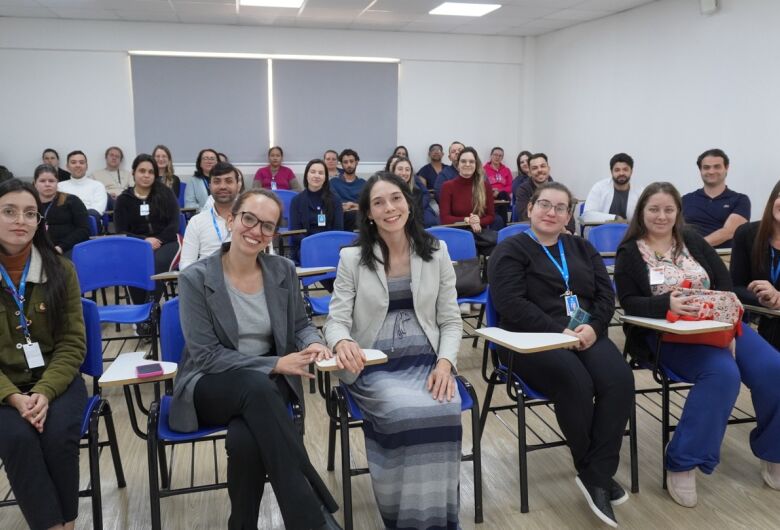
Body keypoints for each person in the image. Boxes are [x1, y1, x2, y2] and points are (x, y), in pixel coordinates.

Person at [170, 188, 340, 530]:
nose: (256, 230)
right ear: (231, 219)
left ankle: (242, 524)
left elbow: (300, 325)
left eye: (267, 225)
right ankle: (312, 517)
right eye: (249, 218)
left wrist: (315, 343)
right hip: (210, 382)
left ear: (274, 234)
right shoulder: (195, 279)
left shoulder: (282, 270)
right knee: (256, 385)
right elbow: (206, 356)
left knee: (245, 439)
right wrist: (274, 364)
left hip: (265, 386)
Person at [614, 182, 780, 507]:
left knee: (774, 368)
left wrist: (727, 328)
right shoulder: (631, 251)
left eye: (668, 209)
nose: (661, 216)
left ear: (678, 212)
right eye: (654, 209)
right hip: (668, 335)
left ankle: (774, 449)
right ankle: (683, 460)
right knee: (723, 375)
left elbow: (724, 283)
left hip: (720, 326)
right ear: (642, 213)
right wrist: (665, 306)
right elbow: (630, 302)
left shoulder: (691, 240)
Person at [489, 181, 635, 527]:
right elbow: (510, 303)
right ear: (530, 208)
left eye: (560, 207)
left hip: (584, 333)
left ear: (570, 214)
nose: (551, 213)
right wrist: (559, 331)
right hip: (529, 339)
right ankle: (594, 473)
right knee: (576, 382)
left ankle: (594, 473)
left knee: (619, 379)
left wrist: (594, 328)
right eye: (544, 205)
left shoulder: (582, 248)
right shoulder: (510, 250)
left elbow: (603, 295)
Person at [325, 172, 463, 529]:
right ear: (368, 214)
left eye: (396, 198)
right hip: (373, 363)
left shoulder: (436, 252)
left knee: (446, 410)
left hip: (426, 359)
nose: (390, 208)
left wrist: (445, 365)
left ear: (409, 202)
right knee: (404, 413)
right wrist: (341, 341)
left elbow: (450, 320)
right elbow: (335, 320)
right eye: (379, 202)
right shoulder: (352, 258)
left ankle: (439, 519)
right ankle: (405, 518)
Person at [0, 178, 88, 530]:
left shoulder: (60, 268)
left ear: (39, 222)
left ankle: (65, 523)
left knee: (56, 435)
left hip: (57, 379)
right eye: (9, 211)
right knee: (18, 438)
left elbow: (72, 343)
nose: (20, 220)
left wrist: (43, 392)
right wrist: (13, 397)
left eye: (30, 213)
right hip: (4, 389)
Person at [113, 154, 180, 310]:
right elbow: (121, 231)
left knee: (155, 262)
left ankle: (151, 308)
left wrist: (158, 240)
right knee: (134, 263)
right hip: (137, 244)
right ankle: (140, 313)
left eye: (151, 172)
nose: (146, 175)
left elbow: (174, 224)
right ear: (133, 173)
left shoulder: (166, 193)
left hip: (168, 242)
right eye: (142, 171)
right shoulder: (123, 199)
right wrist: (144, 241)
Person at [731, 180, 780, 346]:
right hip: (761, 321)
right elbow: (735, 287)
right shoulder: (747, 234)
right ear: (773, 200)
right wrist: (765, 298)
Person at [682, 148, 750, 248]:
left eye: (717, 167)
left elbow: (729, 232)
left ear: (726, 168)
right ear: (700, 170)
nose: (711, 171)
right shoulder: (685, 200)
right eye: (706, 167)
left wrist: (695, 246)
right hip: (688, 257)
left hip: (724, 257)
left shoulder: (740, 200)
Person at [180, 162, 242, 270]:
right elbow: (186, 263)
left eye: (229, 181)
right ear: (210, 187)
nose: (223, 186)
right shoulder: (196, 222)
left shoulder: (251, 220)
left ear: (238, 186)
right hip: (207, 279)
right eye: (217, 182)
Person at [288, 159, 343, 262]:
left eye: (321, 173)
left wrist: (323, 245)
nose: (316, 176)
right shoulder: (296, 201)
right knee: (313, 257)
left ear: (325, 177)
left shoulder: (335, 200)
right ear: (306, 175)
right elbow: (295, 232)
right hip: (305, 247)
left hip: (329, 246)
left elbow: (338, 230)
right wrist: (312, 244)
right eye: (313, 172)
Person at [439, 147, 495, 246]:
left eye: (471, 162)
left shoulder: (485, 186)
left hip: (480, 234)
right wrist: (467, 220)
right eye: (463, 161)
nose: (467, 164)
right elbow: (445, 218)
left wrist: (478, 221)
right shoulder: (447, 186)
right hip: (457, 234)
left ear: (476, 164)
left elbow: (491, 216)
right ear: (458, 165)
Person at [33, 164, 89, 257]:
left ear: (57, 182)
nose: (47, 184)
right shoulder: (29, 204)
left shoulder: (72, 201)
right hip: (37, 250)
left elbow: (84, 230)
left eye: (51, 181)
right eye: (42, 181)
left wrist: (61, 247)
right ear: (35, 184)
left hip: (67, 248)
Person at [513, 153, 575, 233]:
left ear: (548, 168)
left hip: (559, 232)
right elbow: (525, 216)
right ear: (530, 172)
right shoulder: (523, 190)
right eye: (535, 168)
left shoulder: (559, 190)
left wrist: (569, 231)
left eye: (543, 166)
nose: (539, 170)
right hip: (534, 232)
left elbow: (567, 214)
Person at [582, 153, 643, 222]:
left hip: (630, 232)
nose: (621, 173)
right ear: (611, 172)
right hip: (601, 231)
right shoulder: (599, 187)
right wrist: (615, 218)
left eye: (625, 169)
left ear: (631, 171)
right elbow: (587, 215)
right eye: (617, 170)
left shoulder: (640, 192)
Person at [390, 156, 438, 227]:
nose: (404, 173)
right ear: (393, 171)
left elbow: (418, 217)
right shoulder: (387, 192)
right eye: (400, 169)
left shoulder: (416, 193)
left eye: (407, 170)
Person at [58, 150, 108, 217]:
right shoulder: (60, 186)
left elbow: (98, 210)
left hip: (88, 220)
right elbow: (59, 208)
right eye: (73, 162)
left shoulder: (98, 185)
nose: (78, 165)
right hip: (65, 221)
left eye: (81, 162)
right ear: (67, 166)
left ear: (86, 166)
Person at [329, 149, 365, 232]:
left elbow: (366, 206)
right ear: (341, 164)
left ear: (356, 162)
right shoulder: (333, 182)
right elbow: (332, 204)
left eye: (351, 161)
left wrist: (355, 206)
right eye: (345, 162)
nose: (349, 165)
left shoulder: (363, 184)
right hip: (340, 219)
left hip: (358, 220)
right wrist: (348, 206)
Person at [483, 146, 512, 229]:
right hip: (489, 197)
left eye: (500, 156)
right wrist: (492, 191)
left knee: (502, 195)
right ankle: (503, 227)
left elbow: (510, 187)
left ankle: (501, 225)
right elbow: (481, 186)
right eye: (495, 155)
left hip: (503, 197)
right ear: (491, 156)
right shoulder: (483, 170)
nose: (497, 157)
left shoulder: (506, 170)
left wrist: (499, 191)